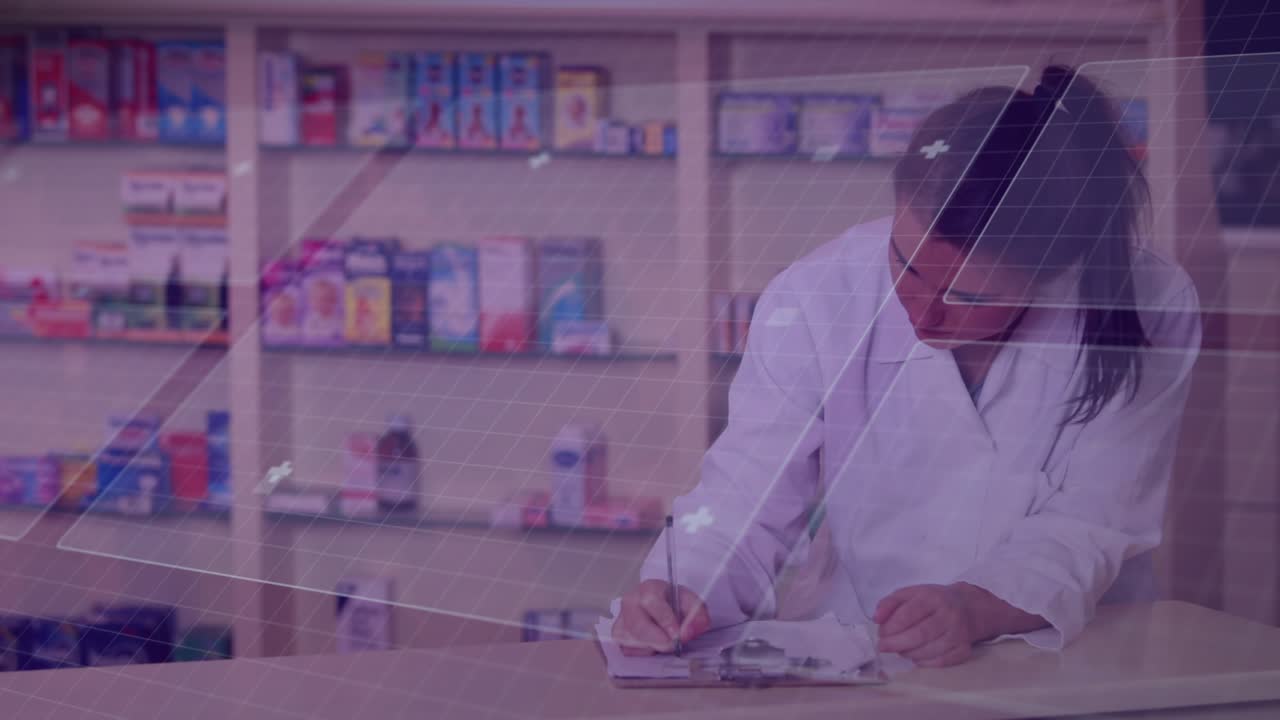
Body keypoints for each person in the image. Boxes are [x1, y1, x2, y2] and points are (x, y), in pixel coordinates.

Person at [615, 65, 1202, 667]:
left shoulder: (1149, 303)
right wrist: (685, 584)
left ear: (1054, 269)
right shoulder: (820, 295)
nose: (925, 313)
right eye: (907, 266)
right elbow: (744, 496)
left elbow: (1094, 516)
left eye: (972, 298)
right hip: (860, 642)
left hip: (1067, 653)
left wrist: (976, 606)